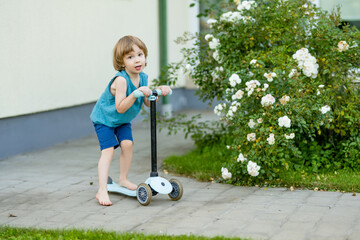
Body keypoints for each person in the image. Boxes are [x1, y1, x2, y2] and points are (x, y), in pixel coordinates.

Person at [90, 35, 171, 206]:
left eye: (140, 54)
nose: (137, 60)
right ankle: (102, 190)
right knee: (108, 151)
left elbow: (148, 103)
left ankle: (123, 179)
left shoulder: (143, 78)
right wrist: (135, 93)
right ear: (121, 62)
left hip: (121, 121)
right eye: (130, 57)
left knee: (127, 145)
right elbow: (120, 107)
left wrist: (157, 92)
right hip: (105, 119)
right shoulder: (121, 80)